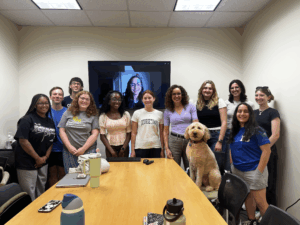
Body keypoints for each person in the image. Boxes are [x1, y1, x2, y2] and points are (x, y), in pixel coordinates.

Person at [229, 103, 271, 225]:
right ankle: (252, 220)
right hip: (238, 170)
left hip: (254, 171)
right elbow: (232, 148)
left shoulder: (257, 130)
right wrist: (232, 165)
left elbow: (266, 151)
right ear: (236, 114)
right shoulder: (235, 130)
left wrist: (259, 172)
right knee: (247, 197)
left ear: (250, 114)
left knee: (261, 202)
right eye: (239, 111)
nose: (242, 114)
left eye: (245, 111)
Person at [14, 94, 56, 201]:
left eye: (46, 103)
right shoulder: (26, 119)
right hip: (27, 161)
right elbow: (23, 140)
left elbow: (51, 140)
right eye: (41, 103)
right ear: (35, 105)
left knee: (41, 189)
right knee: (29, 192)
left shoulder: (50, 121)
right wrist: (37, 158)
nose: (44, 105)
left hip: (43, 161)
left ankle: (40, 213)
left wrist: (45, 157)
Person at [58, 91, 100, 173]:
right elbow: (62, 130)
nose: (84, 101)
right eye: (82, 98)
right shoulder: (68, 112)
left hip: (88, 151)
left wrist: (83, 149)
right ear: (77, 99)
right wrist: (69, 147)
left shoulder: (93, 115)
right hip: (69, 152)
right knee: (71, 177)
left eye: (87, 99)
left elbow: (95, 134)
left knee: (90, 175)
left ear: (90, 102)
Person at [254, 86, 280, 207]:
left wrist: (263, 149)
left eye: (261, 95)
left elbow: (275, 135)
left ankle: (271, 216)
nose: (258, 98)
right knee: (257, 185)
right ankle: (259, 213)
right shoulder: (253, 113)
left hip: (268, 152)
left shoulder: (273, 112)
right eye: (257, 95)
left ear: (268, 97)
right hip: (254, 154)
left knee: (269, 185)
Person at [164, 85, 198, 170]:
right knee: (174, 168)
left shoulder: (191, 107)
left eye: (178, 93)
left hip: (189, 141)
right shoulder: (167, 111)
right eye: (174, 94)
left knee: (191, 168)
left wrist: (194, 141)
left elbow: (196, 124)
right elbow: (165, 131)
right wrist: (166, 148)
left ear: (182, 95)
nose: (176, 96)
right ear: (170, 96)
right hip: (174, 141)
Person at [196, 80, 227, 174]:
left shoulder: (219, 101)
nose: (207, 90)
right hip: (203, 136)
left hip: (216, 136)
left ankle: (218, 187)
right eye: (205, 88)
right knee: (203, 164)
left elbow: (224, 122)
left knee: (216, 164)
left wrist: (220, 141)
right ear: (201, 90)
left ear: (213, 91)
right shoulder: (198, 103)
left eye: (210, 88)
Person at [225, 80, 255, 172]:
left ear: (241, 88)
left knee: (242, 155)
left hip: (244, 133)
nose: (234, 89)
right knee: (228, 157)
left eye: (237, 87)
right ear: (230, 90)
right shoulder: (226, 103)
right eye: (232, 88)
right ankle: (230, 179)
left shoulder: (249, 104)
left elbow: (252, 120)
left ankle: (243, 177)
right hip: (229, 133)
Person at [131, 90, 164, 158]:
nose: (147, 100)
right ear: (142, 100)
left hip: (155, 147)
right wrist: (132, 150)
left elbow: (161, 133)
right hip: (140, 147)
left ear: (153, 99)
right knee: (140, 168)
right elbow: (133, 133)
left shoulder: (160, 114)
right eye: (145, 98)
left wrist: (162, 150)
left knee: (155, 168)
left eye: (149, 98)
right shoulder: (137, 113)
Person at [99, 90, 131, 158]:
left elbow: (129, 134)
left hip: (124, 147)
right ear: (109, 101)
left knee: (125, 168)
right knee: (112, 168)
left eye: (119, 100)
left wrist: (123, 149)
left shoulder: (126, 114)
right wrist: (112, 151)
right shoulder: (103, 116)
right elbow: (102, 136)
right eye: (114, 99)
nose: (117, 102)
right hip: (110, 147)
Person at [47, 87, 67, 187]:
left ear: (63, 97)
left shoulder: (68, 111)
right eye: (55, 94)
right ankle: (52, 197)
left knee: (63, 174)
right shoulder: (45, 111)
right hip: (49, 150)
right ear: (50, 97)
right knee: (52, 175)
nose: (57, 96)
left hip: (64, 148)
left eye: (60, 94)